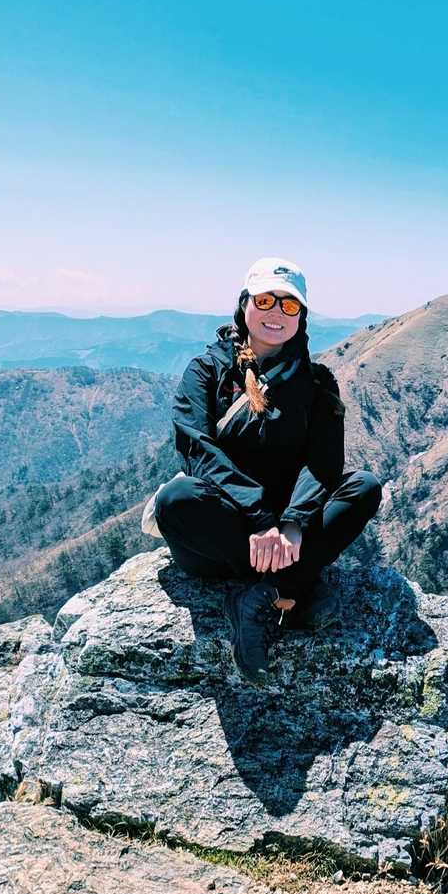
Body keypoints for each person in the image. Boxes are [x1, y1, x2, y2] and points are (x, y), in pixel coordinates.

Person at [151, 257, 383, 679]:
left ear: (301, 317)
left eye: (288, 305)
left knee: (363, 487)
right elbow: (197, 449)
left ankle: (260, 595)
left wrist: (293, 522)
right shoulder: (208, 371)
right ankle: (296, 585)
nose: (276, 312)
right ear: (244, 304)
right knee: (176, 499)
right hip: (224, 536)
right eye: (264, 300)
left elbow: (323, 463)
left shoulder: (316, 383)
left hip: (288, 534)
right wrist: (260, 521)